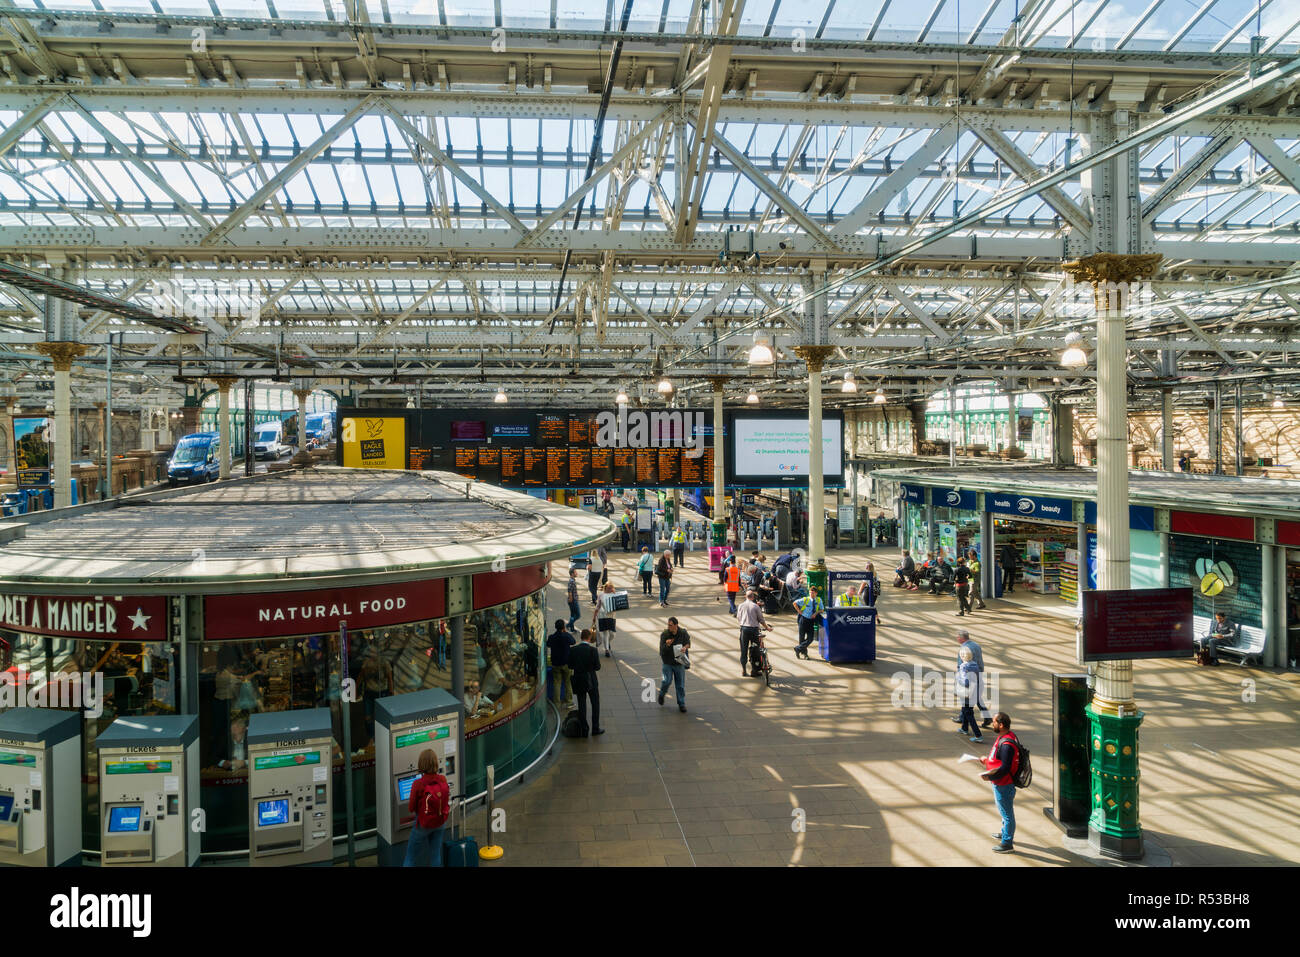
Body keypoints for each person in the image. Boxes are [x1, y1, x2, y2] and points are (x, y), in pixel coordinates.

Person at [979, 712, 1021, 853]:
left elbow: (1005, 768)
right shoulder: (1007, 736)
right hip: (1002, 783)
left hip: (1003, 784)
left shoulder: (1007, 744)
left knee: (1007, 814)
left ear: (1001, 725)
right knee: (1004, 812)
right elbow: (1000, 761)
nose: (992, 724)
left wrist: (989, 777)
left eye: (994, 722)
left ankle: (1007, 843)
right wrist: (987, 761)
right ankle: (1005, 833)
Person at [404, 748, 450, 867]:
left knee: (410, 857)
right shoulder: (442, 779)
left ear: (421, 764)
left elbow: (410, 808)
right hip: (440, 822)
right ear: (435, 762)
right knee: (435, 855)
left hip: (423, 825)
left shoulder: (418, 783)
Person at [951, 630, 993, 727]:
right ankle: (986, 717)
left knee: (966, 696)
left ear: (961, 638)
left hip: (968, 676)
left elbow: (960, 665)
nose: (957, 639)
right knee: (976, 697)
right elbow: (980, 660)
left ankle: (963, 718)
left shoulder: (963, 649)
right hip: (978, 672)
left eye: (958, 637)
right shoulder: (976, 645)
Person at [568, 628, 604, 737]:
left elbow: (570, 665)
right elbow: (597, 667)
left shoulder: (573, 650)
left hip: (579, 679)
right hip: (591, 680)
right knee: (595, 704)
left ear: (581, 637)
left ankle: (584, 730)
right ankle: (595, 728)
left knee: (582, 704)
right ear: (589, 638)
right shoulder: (593, 650)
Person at [657, 617, 691, 712]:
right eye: (668, 625)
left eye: (670, 625)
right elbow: (661, 651)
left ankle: (681, 703)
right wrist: (667, 645)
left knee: (680, 685)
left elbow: (688, 642)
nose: (668, 627)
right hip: (668, 662)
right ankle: (662, 694)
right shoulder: (665, 635)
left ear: (676, 625)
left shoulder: (683, 632)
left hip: (679, 662)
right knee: (666, 681)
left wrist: (685, 647)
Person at [736, 589, 772, 678]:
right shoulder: (756, 606)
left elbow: (738, 617)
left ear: (746, 597)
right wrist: (767, 627)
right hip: (754, 630)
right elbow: (761, 619)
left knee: (743, 649)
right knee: (755, 650)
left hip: (744, 629)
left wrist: (743, 624)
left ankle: (744, 670)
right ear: (753, 597)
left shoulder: (741, 605)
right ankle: (754, 670)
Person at [546, 619, 575, 709]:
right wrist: (565, 632)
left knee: (557, 683)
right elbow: (573, 641)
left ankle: (557, 703)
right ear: (563, 627)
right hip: (566, 663)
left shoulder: (552, 637)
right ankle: (569, 702)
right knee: (568, 682)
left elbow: (548, 644)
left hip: (556, 663)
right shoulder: (566, 636)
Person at [956, 646, 983, 742]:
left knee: (968, 713)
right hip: (974, 691)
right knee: (965, 710)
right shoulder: (974, 665)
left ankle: (978, 735)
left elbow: (965, 682)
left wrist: (958, 679)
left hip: (966, 693)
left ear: (962, 656)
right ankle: (964, 728)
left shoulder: (964, 666)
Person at [792, 586, 826, 660]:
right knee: (802, 638)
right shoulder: (805, 599)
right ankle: (805, 654)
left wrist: (816, 613)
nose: (811, 594)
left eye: (813, 593)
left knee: (810, 638)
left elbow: (822, 609)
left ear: (816, 593)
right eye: (810, 593)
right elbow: (794, 603)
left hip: (811, 621)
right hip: (803, 620)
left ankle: (798, 648)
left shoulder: (819, 600)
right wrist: (799, 611)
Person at [592, 582, 618, 657]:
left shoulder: (614, 594)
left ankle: (607, 643)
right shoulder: (601, 595)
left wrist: (614, 593)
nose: (610, 589)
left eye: (611, 588)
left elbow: (619, 604)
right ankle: (606, 649)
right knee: (605, 633)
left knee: (612, 634)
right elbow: (597, 606)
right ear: (605, 587)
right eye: (609, 588)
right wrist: (594, 616)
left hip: (612, 616)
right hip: (602, 616)